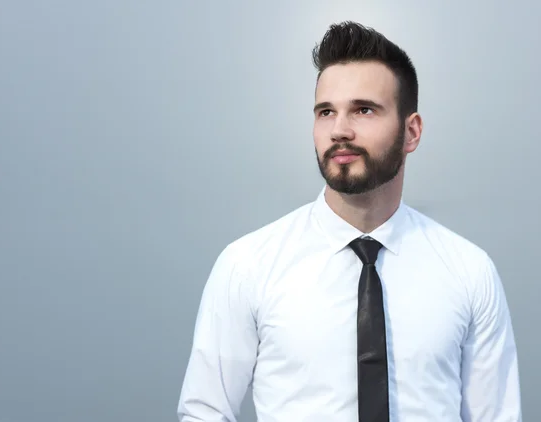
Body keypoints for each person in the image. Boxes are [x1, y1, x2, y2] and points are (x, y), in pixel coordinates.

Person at [177, 21, 522, 422]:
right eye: (326, 112)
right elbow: (205, 412)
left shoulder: (469, 271)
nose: (339, 130)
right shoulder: (248, 265)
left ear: (411, 132)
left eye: (363, 109)